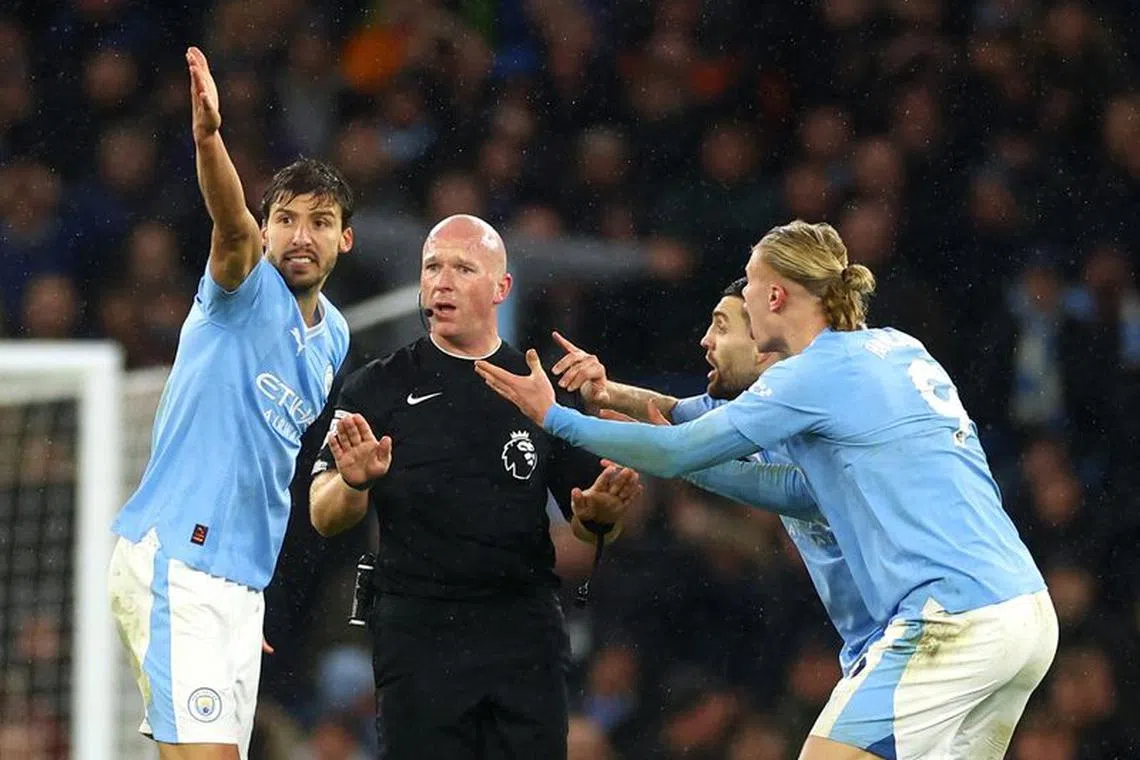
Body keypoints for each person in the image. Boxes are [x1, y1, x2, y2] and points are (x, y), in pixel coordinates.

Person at [475, 220, 1057, 760]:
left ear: (773, 295)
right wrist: (615, 399)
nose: (745, 305)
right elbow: (788, 487)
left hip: (950, 616)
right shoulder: (897, 349)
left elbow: (680, 449)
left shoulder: (813, 375)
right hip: (1024, 610)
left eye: (747, 289)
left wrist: (553, 417)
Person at [308, 213, 641, 760]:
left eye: (463, 269)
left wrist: (602, 515)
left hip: (522, 633)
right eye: (432, 267)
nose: (442, 282)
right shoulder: (375, 387)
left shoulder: (541, 389)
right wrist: (351, 481)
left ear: (501, 287)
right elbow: (324, 514)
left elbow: (592, 521)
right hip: (417, 634)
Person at [107, 46, 354, 759]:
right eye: (286, 219)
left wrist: (241, 597)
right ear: (266, 228)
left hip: (237, 590)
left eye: (319, 221)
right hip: (177, 562)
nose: (299, 236)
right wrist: (210, 140)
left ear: (345, 238)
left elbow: (270, 463)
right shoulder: (242, 286)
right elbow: (230, 220)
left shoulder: (335, 336)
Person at [550, 277, 881, 677]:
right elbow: (675, 412)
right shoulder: (758, 410)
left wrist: (550, 415)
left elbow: (678, 451)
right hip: (875, 639)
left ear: (762, 343)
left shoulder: (826, 413)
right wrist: (607, 393)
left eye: (721, 327)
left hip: (910, 625)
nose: (705, 340)